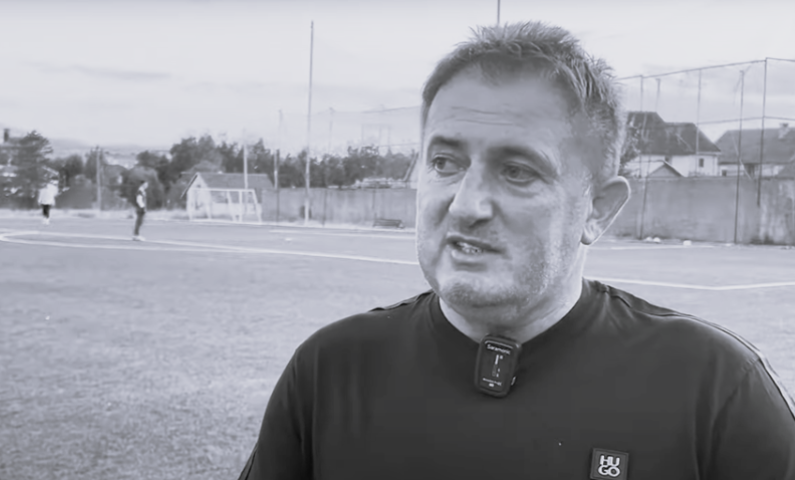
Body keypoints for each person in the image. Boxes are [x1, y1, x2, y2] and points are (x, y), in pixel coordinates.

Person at [238, 22, 795, 480]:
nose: (465, 205)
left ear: (599, 209)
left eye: (517, 171)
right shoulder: (331, 370)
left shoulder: (715, 388)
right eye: (444, 163)